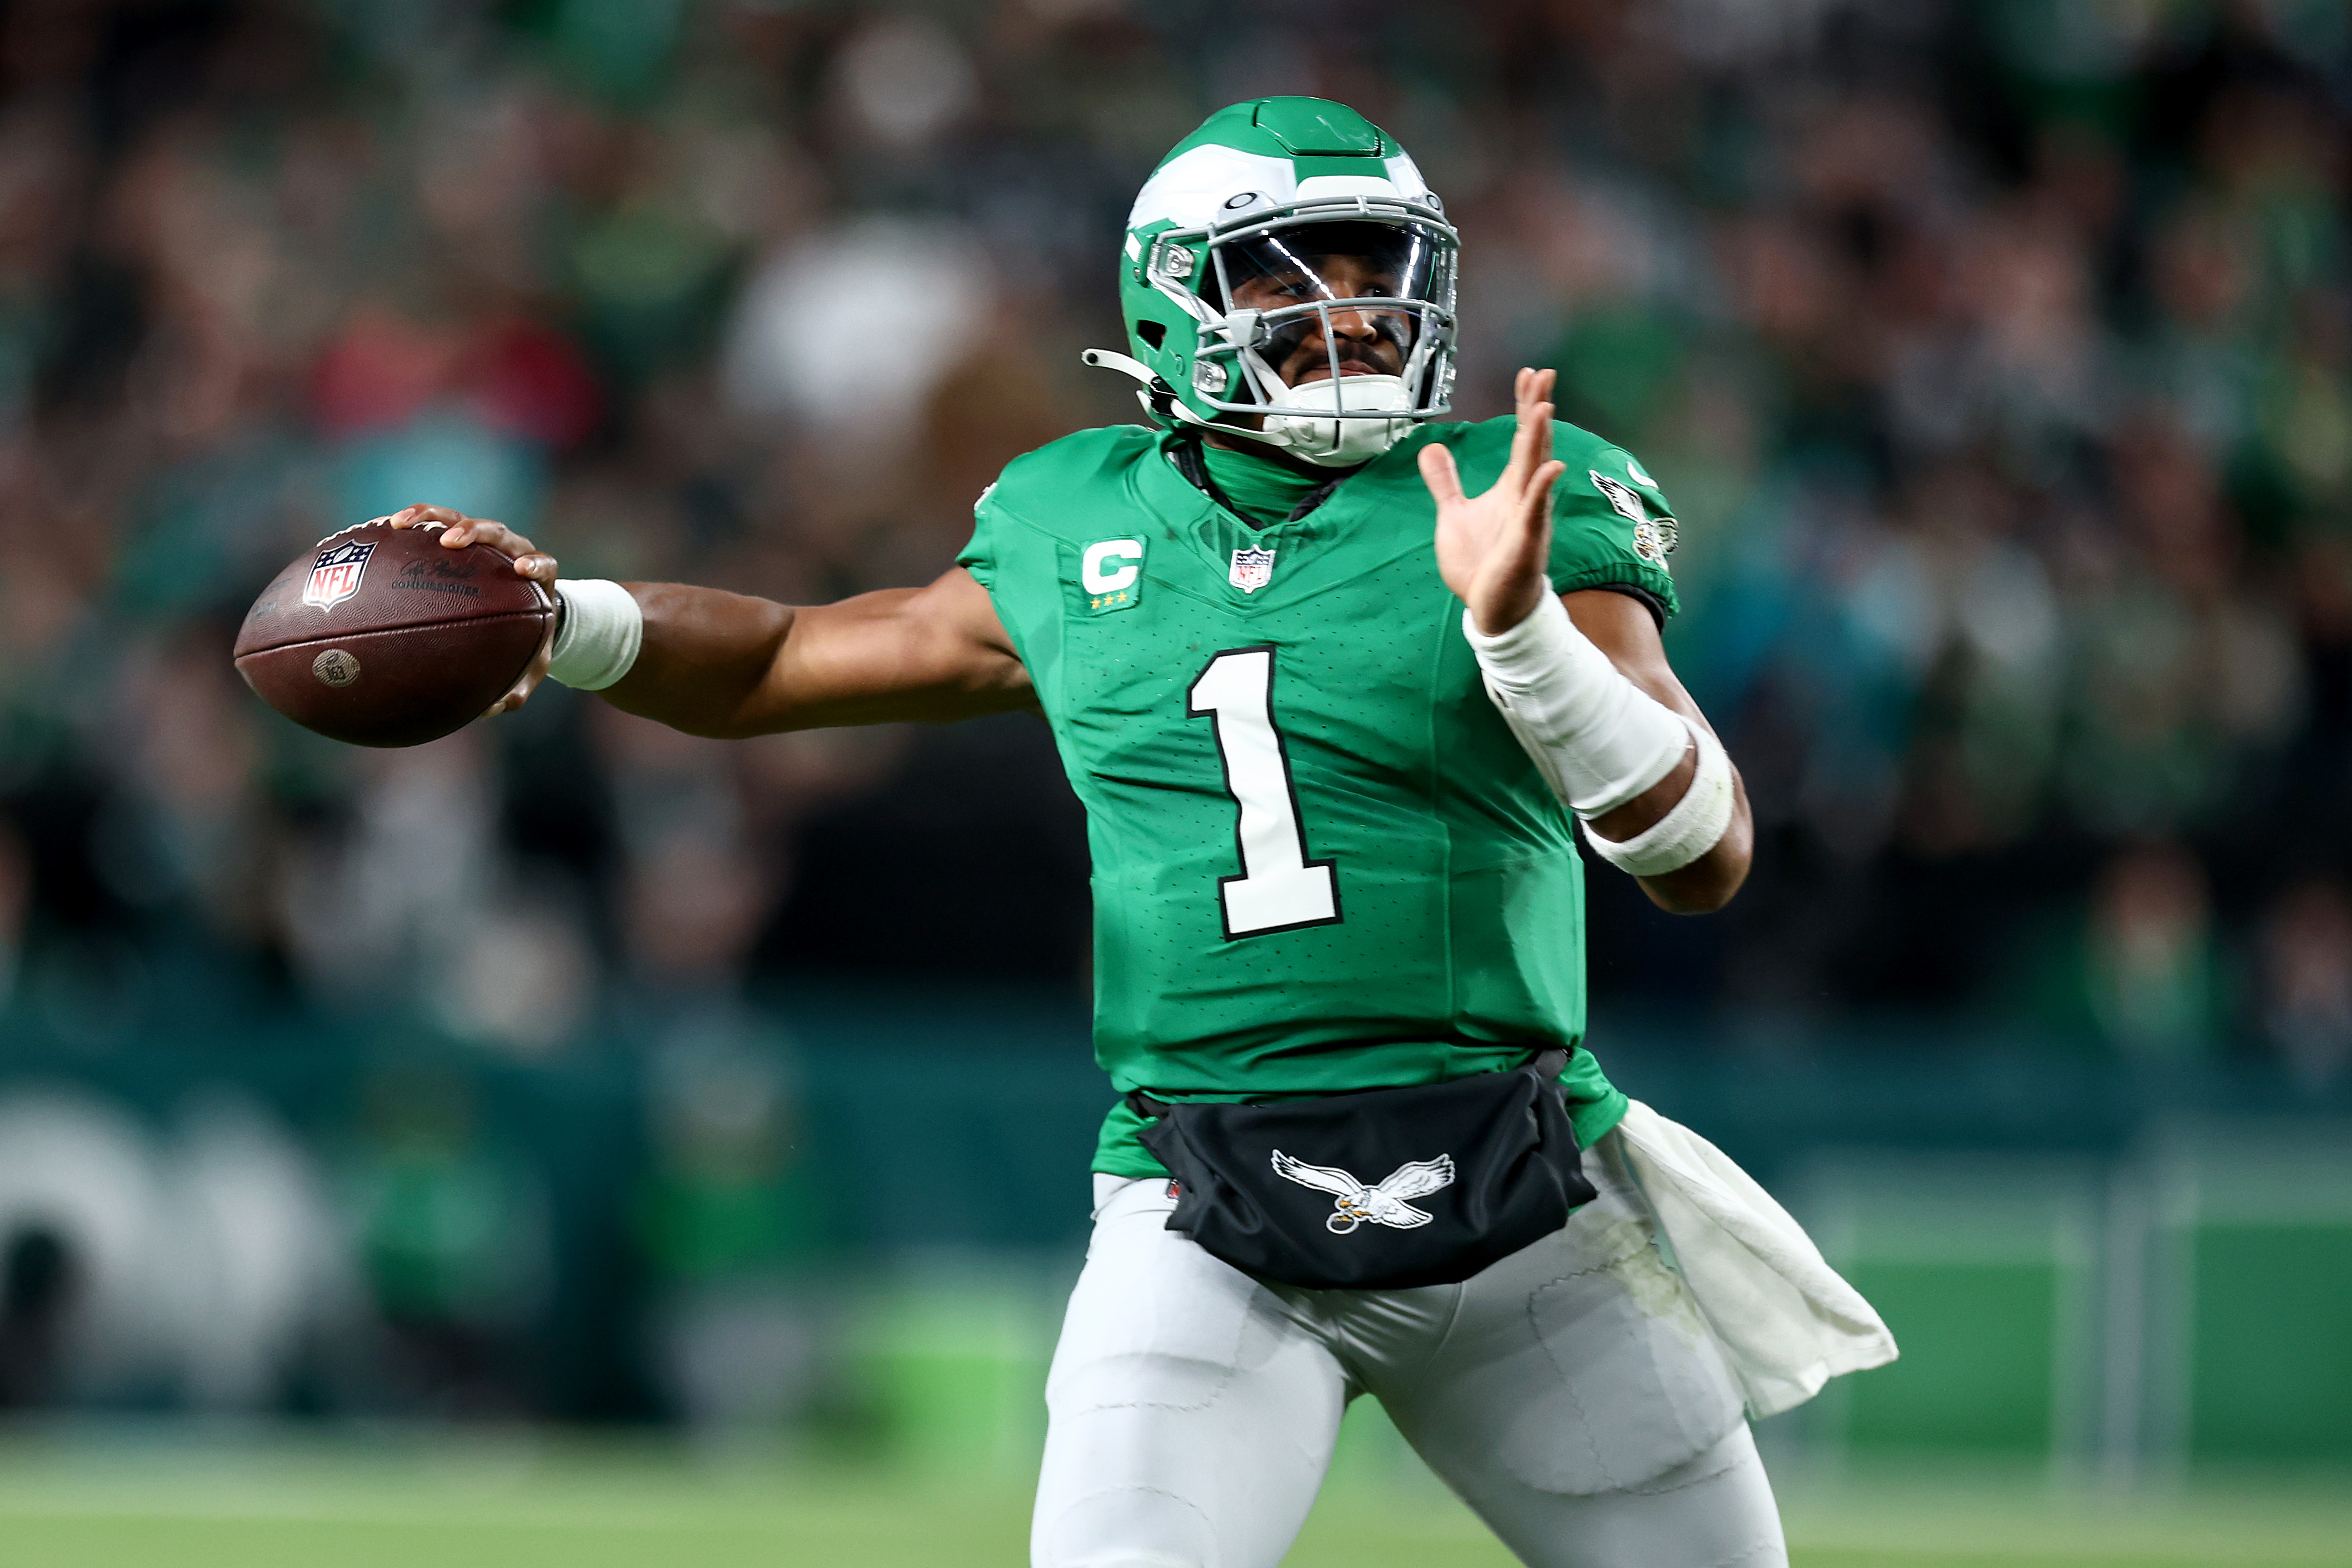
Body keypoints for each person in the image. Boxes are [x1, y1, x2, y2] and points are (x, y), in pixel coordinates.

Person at [393, 97, 1888, 1568]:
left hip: (1519, 1201)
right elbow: (791, 659)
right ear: (1174, 301)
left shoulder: (1513, 489)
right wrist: (565, 619)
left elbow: (1700, 855)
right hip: (1203, 1205)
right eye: (1294, 267)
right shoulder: (1071, 516)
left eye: (1378, 267)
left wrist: (1525, 643)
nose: (1352, 309)